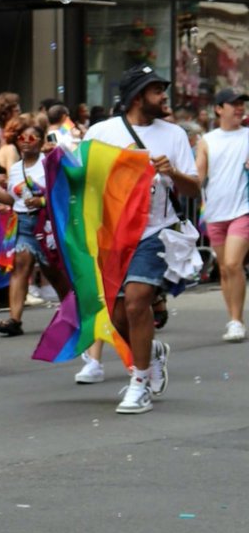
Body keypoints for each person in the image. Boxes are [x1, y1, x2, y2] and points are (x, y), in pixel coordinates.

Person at [76, 66, 199, 412]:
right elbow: (82, 179)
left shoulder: (174, 134)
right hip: (112, 232)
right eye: (156, 90)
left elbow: (193, 187)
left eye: (163, 89)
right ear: (136, 95)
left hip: (155, 230)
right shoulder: (101, 132)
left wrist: (171, 172)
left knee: (137, 300)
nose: (164, 97)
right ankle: (152, 352)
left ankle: (140, 381)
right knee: (117, 318)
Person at [0, 120, 71, 337]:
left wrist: (42, 202)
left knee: (52, 272)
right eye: (21, 138)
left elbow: (62, 194)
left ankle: (73, 310)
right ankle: (14, 319)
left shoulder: (49, 163)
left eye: (31, 138)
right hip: (22, 224)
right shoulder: (15, 168)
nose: (25, 143)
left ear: (40, 142)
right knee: (20, 267)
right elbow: (12, 199)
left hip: (45, 225)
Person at [194, 87, 249, 342]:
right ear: (219, 109)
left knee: (232, 264)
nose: (239, 108)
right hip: (216, 212)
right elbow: (198, 176)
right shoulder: (207, 140)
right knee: (225, 270)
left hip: (243, 210)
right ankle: (232, 318)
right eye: (233, 104)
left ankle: (237, 321)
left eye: (241, 104)